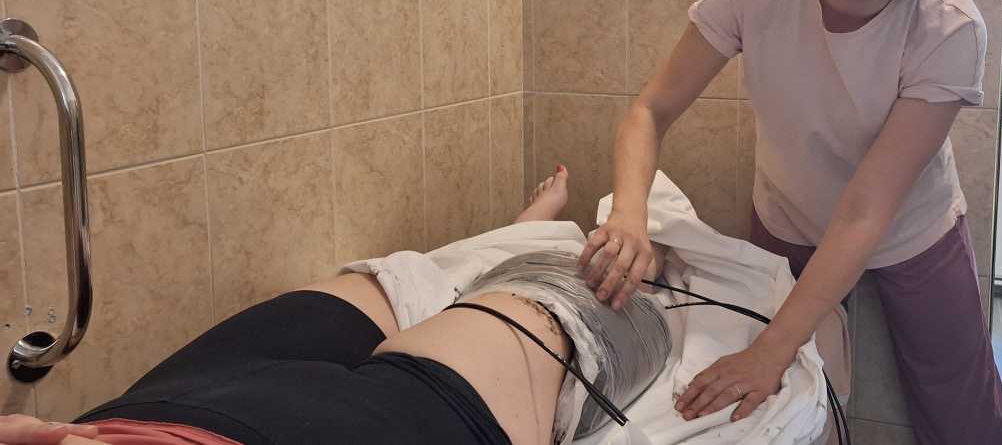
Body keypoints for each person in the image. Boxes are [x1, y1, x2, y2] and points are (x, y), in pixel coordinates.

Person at [577, 0, 1002, 444]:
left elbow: (865, 210)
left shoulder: (949, 27)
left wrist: (769, 350)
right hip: (789, 214)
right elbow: (651, 110)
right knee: (788, 394)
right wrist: (628, 214)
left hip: (909, 226)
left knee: (959, 396)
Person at [0, 168, 668, 445]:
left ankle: (512, 237)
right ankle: (535, 242)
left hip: (151, 418)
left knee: (405, 277)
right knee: (599, 294)